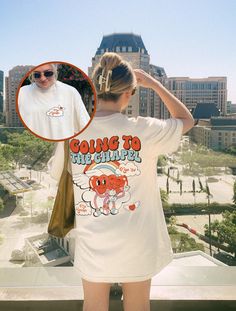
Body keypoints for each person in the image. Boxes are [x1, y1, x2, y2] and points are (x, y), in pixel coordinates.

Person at [50, 52, 194, 311]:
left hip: (93, 239)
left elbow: (56, 175)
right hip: (137, 240)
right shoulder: (145, 129)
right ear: (129, 92)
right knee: (138, 306)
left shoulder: (72, 134)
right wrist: (156, 84)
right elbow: (186, 120)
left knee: (93, 305)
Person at [18, 63, 90, 141]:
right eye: (37, 75)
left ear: (55, 72)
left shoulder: (70, 92)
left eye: (48, 73)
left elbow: (84, 126)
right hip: (31, 147)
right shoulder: (22, 93)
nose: (43, 78)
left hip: (63, 148)